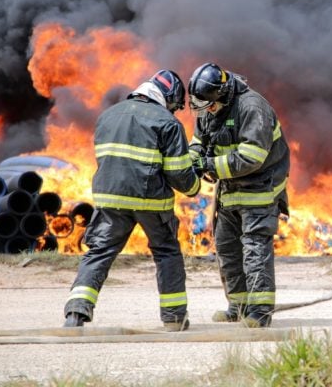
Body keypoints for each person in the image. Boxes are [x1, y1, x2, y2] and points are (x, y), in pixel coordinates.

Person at [63, 70, 201, 331]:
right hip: (150, 202)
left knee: (99, 252)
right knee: (166, 252)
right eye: (175, 105)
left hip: (109, 199)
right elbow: (179, 173)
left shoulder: (108, 116)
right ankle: (174, 318)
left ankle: (75, 313)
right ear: (168, 96)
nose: (173, 110)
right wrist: (194, 186)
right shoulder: (167, 123)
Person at [187, 62, 290, 328]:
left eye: (209, 106)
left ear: (220, 95)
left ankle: (259, 312)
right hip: (229, 191)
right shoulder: (209, 107)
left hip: (259, 191)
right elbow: (199, 144)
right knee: (227, 249)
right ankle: (239, 306)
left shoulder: (252, 107)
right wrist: (189, 165)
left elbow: (252, 156)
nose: (206, 111)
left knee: (255, 250)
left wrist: (209, 166)